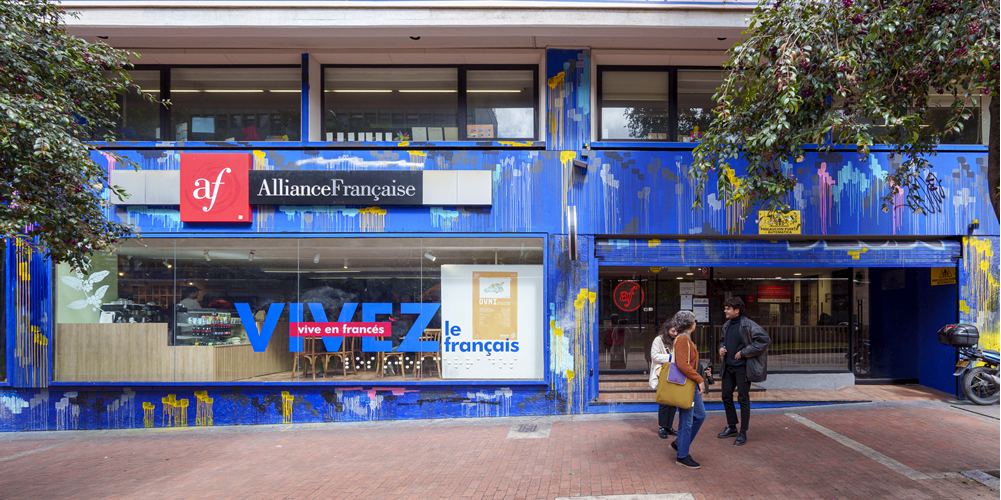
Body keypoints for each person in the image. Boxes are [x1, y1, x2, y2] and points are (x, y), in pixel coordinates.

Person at [717, 296, 771, 446]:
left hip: (743, 368)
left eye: (728, 308)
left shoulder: (749, 325)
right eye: (725, 308)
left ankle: (743, 432)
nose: (725, 311)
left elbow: (764, 340)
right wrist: (721, 348)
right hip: (728, 367)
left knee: (743, 399)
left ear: (737, 310)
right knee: (726, 396)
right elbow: (722, 341)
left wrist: (744, 352)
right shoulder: (726, 325)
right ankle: (732, 427)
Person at [670, 310, 705, 469]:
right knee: (687, 421)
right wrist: (699, 379)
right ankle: (682, 456)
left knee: (700, 415)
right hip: (687, 385)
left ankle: (680, 443)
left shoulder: (685, 339)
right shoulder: (683, 340)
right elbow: (683, 365)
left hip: (690, 384)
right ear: (689, 324)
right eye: (694, 321)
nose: (695, 323)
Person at [650, 318, 678, 438]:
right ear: (667, 330)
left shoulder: (677, 339)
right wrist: (671, 357)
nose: (675, 333)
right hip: (663, 372)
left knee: (673, 401)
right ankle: (662, 427)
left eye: (676, 331)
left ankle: (669, 426)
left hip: (675, 372)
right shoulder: (658, 340)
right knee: (664, 401)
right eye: (672, 331)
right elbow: (654, 356)